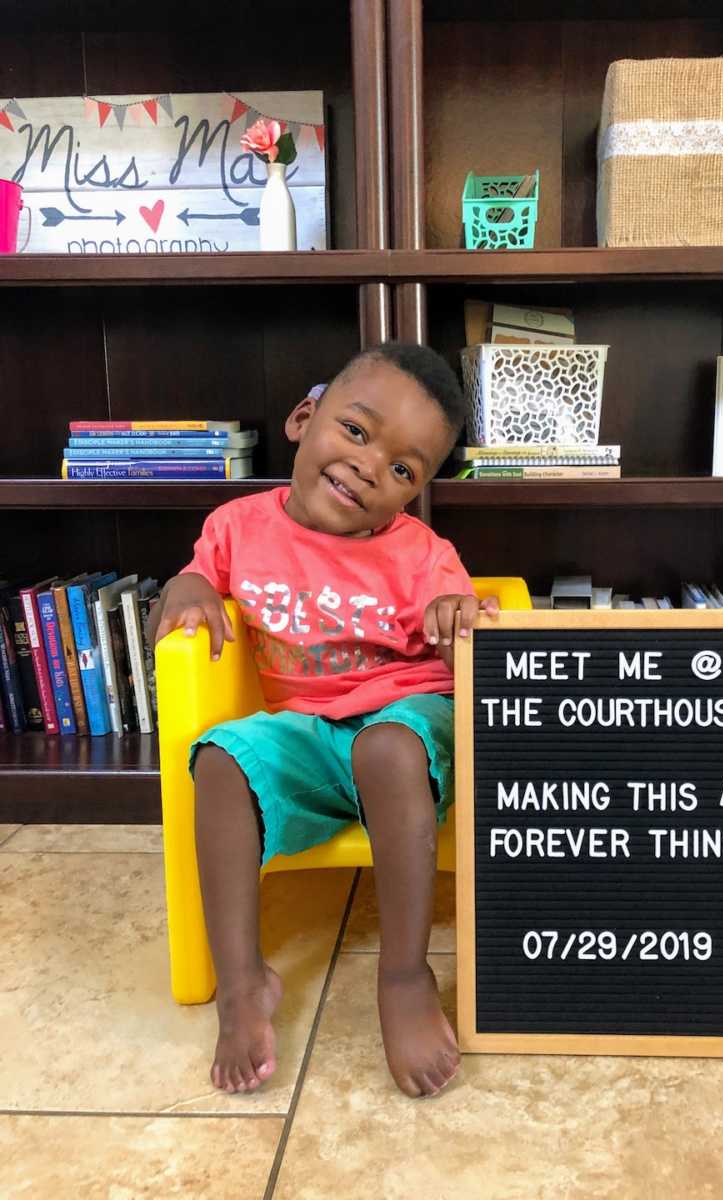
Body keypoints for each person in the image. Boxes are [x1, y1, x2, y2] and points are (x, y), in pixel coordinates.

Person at [148, 343, 498, 1100]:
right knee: (220, 759)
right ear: (305, 420)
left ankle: (404, 975)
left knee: (386, 749)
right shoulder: (239, 525)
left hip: (409, 722)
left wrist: (454, 613)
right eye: (358, 432)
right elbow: (197, 577)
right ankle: (243, 983)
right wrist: (183, 587)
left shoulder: (423, 553)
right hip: (305, 732)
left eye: (404, 469)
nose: (372, 466)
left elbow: (470, 622)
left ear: (415, 494)